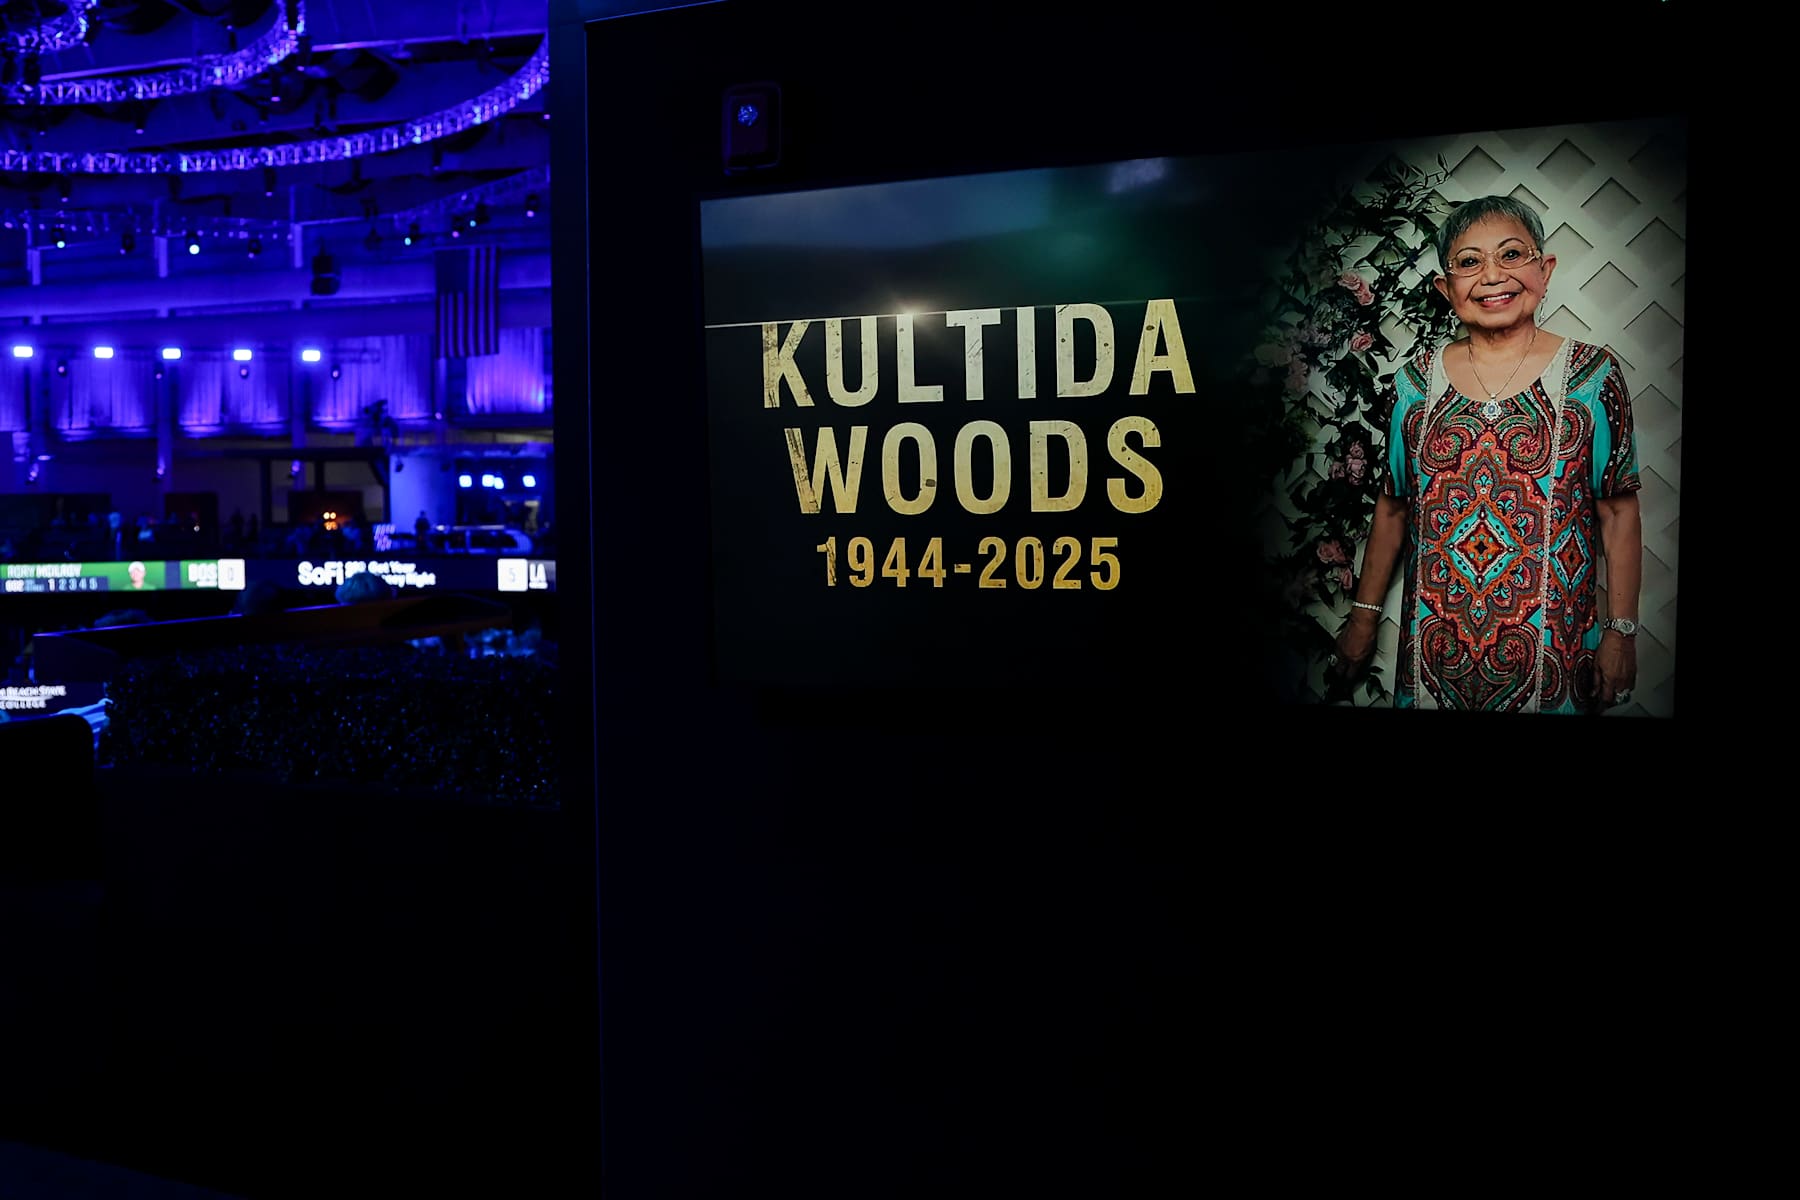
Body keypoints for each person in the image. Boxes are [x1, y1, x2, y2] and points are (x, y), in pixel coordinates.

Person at [1330, 195, 1642, 714]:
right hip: (1434, 659)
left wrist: (1621, 634)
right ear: (1445, 288)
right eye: (1469, 262)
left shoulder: (1593, 377)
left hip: (1553, 662)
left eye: (1512, 255)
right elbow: (1392, 507)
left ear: (1544, 270)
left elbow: (1618, 510)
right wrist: (1363, 617)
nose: (1492, 275)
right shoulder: (1413, 384)